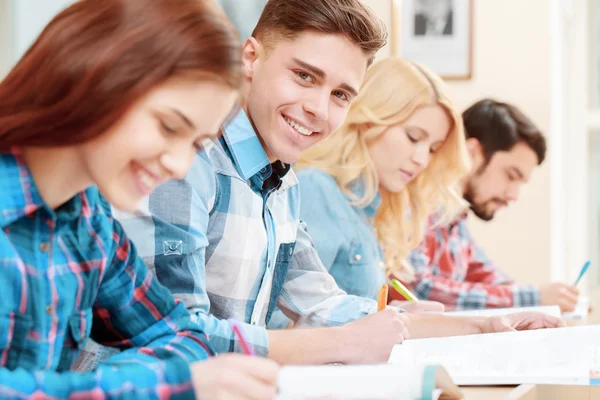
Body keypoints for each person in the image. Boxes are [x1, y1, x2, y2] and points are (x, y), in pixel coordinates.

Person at [117, 0, 564, 366]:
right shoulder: (187, 163)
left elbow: (328, 308)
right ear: (250, 58)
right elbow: (177, 336)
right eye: (304, 76)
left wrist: (485, 325)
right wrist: (345, 343)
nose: (317, 107)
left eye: (340, 95)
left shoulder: (282, 185)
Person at [0, 0, 278, 398]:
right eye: (168, 126)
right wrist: (161, 383)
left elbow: (182, 335)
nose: (180, 166)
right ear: (95, 76)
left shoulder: (89, 223)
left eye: (197, 143)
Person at [293, 57, 468, 313]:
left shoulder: (373, 208)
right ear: (368, 121)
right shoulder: (316, 189)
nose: (421, 160)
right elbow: (284, 321)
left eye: (433, 149)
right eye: (413, 137)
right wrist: (400, 318)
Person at [407, 99, 580, 312]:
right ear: (472, 153)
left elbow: (490, 279)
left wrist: (552, 300)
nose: (513, 195)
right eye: (511, 175)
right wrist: (535, 298)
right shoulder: (417, 203)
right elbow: (420, 289)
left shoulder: (456, 221)